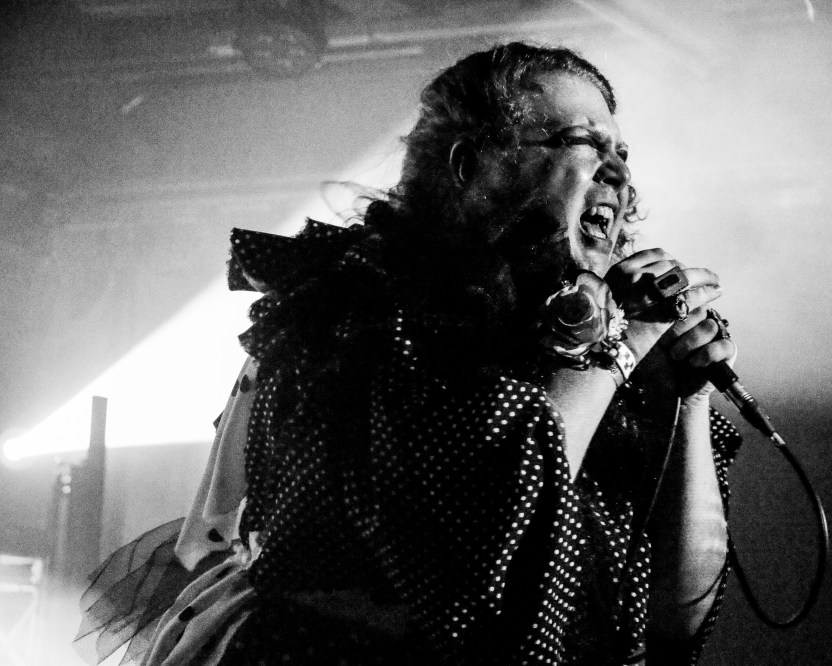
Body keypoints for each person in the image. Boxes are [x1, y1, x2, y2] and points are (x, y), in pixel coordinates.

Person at [76, 42, 741, 665]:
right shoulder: (365, 316)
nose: (617, 169)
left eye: (620, 150)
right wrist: (611, 352)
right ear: (470, 165)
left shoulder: (608, 346)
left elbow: (675, 619)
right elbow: (476, 553)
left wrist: (683, 399)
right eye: (582, 142)